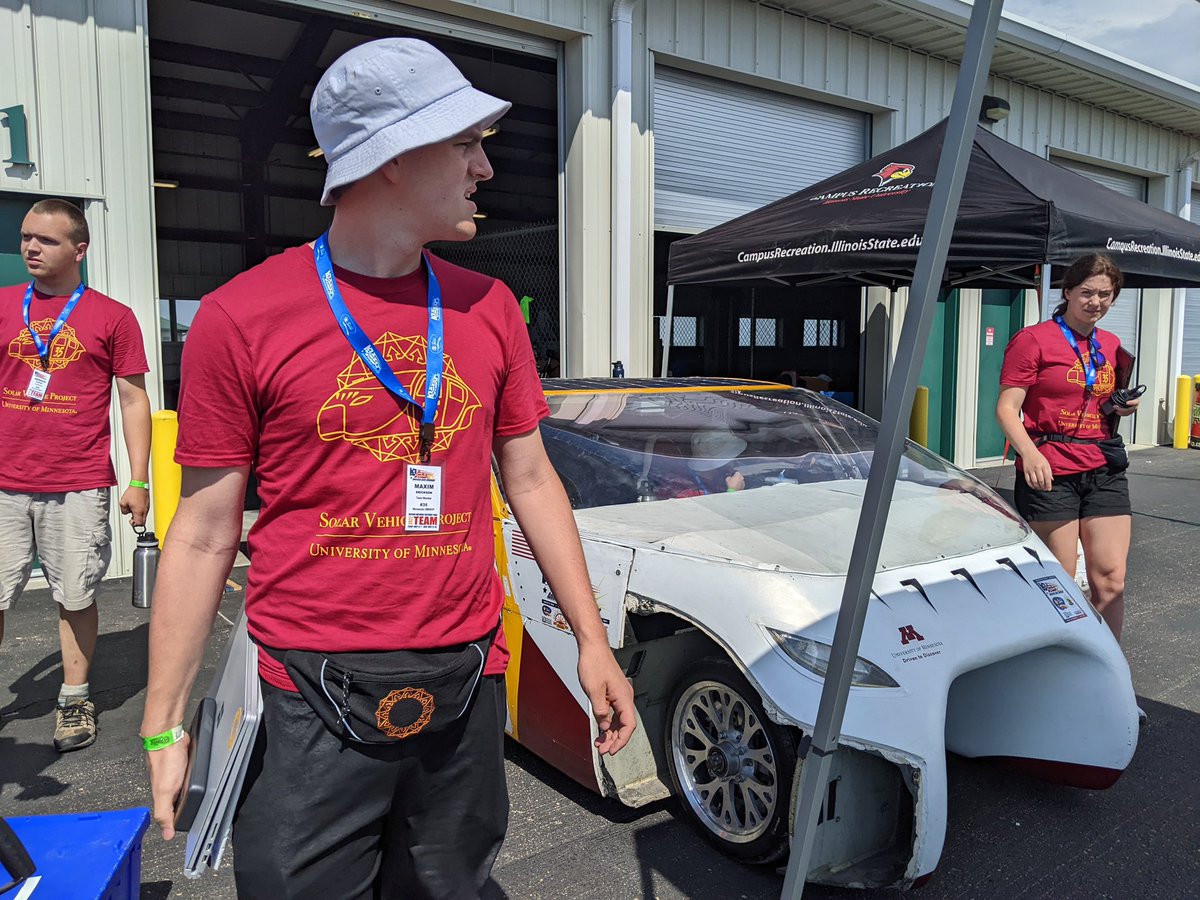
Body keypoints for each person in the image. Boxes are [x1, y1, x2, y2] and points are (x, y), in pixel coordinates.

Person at [141, 38, 635, 899]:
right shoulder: (241, 317)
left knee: (450, 884)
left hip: (467, 674)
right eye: (465, 143)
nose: (485, 167)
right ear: (393, 159)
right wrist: (162, 723)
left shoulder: (488, 311)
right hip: (309, 691)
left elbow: (530, 479)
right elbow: (203, 531)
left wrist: (591, 642)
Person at [0, 198, 151, 752]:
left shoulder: (113, 317)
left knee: (75, 593)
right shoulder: (2, 305)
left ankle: (74, 697)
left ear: (79, 249)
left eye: (46, 240)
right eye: (25, 238)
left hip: (79, 482)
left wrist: (139, 480)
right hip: (4, 482)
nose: (31, 248)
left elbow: (133, 400)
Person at [996, 253, 1138, 641]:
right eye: (1087, 293)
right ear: (1068, 292)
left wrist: (1122, 405)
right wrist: (1030, 452)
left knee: (1110, 581)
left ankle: (1108, 676)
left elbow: (1098, 401)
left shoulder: (1109, 343)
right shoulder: (1033, 340)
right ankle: (1057, 668)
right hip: (1051, 470)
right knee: (1059, 584)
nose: (1096, 302)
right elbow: (1007, 409)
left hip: (1103, 467)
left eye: (1105, 295)